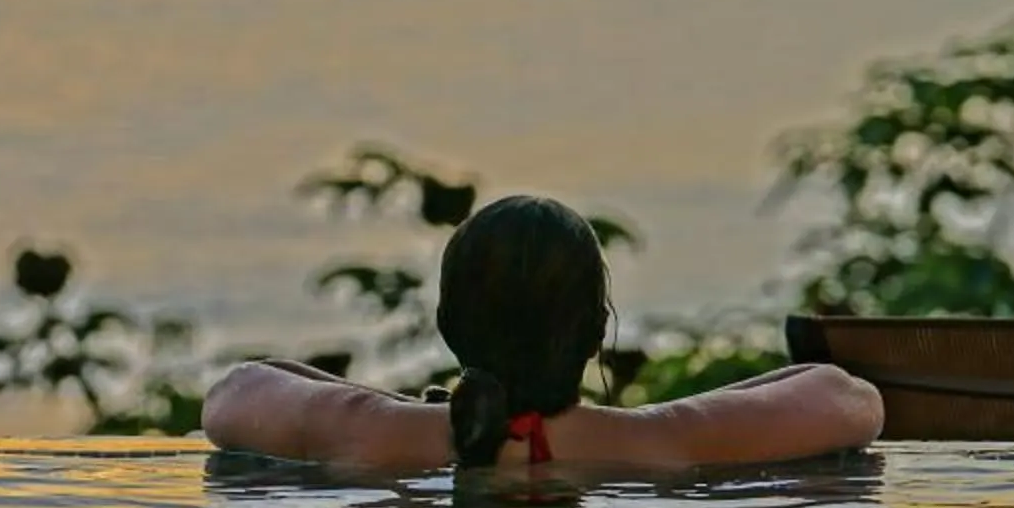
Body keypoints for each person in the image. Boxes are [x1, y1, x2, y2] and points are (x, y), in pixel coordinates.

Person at [202, 192, 882, 471]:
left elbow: (236, 393)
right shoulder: (664, 440)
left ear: (447, 327)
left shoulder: (367, 433)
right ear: (596, 335)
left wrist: (409, 410)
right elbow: (848, 397)